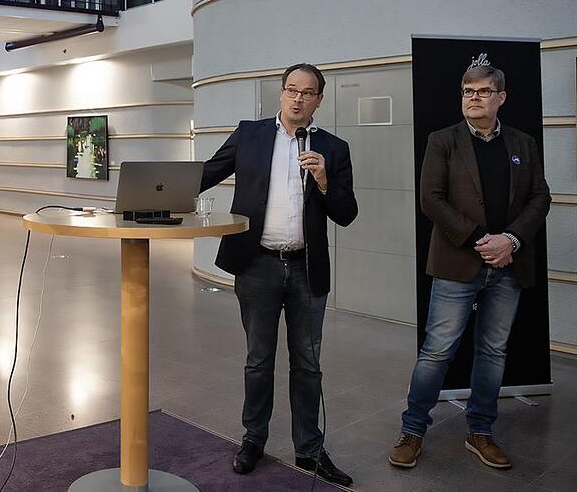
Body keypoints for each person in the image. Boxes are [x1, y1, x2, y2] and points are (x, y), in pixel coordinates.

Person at [200, 63, 358, 486]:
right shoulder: (250, 134)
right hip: (257, 264)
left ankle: (310, 449)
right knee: (258, 359)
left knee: (308, 363)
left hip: (307, 268)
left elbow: (347, 213)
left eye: (307, 93)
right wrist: (157, 196)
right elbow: (207, 173)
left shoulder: (334, 148)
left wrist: (323, 180)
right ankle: (254, 439)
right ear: (281, 92)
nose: (297, 98)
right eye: (291, 89)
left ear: (319, 100)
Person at [389, 64, 550, 470]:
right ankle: (413, 431)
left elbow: (540, 197)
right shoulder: (443, 140)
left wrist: (510, 240)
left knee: (493, 352)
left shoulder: (523, 142)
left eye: (483, 91)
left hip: (509, 264)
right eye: (467, 91)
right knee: (437, 351)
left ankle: (480, 431)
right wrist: (483, 240)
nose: (473, 97)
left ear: (501, 98)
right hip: (458, 262)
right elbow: (431, 199)